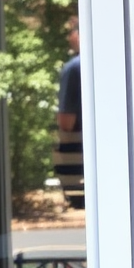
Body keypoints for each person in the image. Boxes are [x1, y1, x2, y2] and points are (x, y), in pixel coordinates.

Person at [54, 15, 83, 209]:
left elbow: (66, 124)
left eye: (70, 32)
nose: (68, 38)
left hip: (80, 162)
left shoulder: (74, 69)